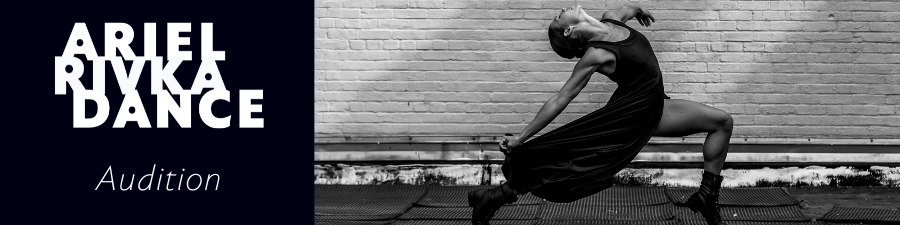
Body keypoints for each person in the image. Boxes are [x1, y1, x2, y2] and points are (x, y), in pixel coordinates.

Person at [467, 4, 734, 225]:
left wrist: (638, 8)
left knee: (722, 122)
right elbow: (561, 97)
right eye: (559, 17)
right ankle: (494, 197)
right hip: (631, 115)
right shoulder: (597, 54)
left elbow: (626, 9)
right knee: (576, 162)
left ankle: (706, 197)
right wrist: (522, 137)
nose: (561, 9)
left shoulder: (611, 20)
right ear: (570, 29)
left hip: (653, 104)